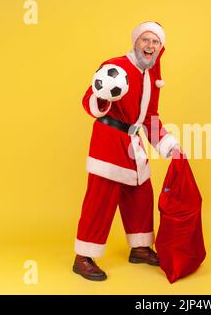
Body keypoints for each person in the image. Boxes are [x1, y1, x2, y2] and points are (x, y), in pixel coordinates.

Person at [73, 21, 181, 281]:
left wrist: (171, 147)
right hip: (109, 141)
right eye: (146, 40)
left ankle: (140, 248)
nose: (150, 46)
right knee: (101, 199)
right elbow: (88, 101)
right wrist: (101, 95)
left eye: (155, 42)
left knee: (141, 194)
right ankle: (83, 257)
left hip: (134, 145)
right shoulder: (115, 66)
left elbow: (150, 117)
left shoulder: (152, 75)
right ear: (136, 41)